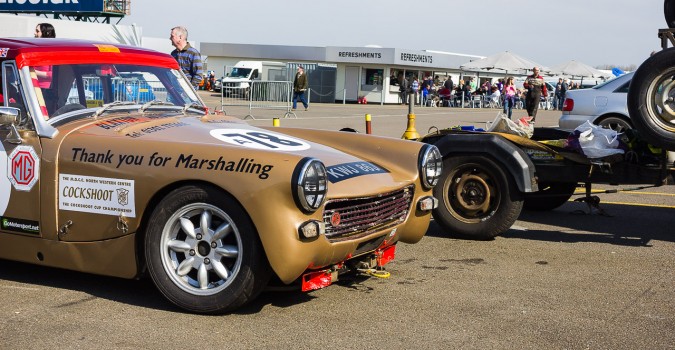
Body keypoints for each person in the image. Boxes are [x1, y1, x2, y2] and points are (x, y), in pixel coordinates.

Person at [33, 23, 56, 90]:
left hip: (44, 89)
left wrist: (33, 72)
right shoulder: (35, 50)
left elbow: (54, 75)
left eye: (37, 31)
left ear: (46, 33)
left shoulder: (52, 53)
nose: (34, 33)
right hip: (31, 87)